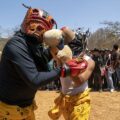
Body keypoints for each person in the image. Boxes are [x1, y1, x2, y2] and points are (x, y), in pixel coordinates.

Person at [0, 6, 72, 120]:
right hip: (8, 110)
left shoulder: (34, 46)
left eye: (41, 28)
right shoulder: (16, 45)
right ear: (26, 24)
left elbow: (42, 59)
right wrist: (62, 70)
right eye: (34, 25)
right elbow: (35, 80)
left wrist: (58, 44)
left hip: (26, 107)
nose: (37, 30)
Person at [43, 28, 95, 120]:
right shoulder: (63, 54)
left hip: (80, 99)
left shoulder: (89, 61)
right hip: (65, 98)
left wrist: (68, 62)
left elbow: (80, 81)